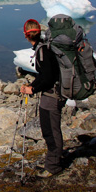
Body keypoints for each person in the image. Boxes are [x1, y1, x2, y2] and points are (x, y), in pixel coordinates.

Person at [19, 18, 65, 177]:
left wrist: (33, 89)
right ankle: (53, 160)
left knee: (51, 131)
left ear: (26, 35)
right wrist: (32, 84)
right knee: (49, 129)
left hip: (53, 95)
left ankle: (53, 166)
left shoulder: (43, 51)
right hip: (51, 94)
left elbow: (48, 78)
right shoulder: (44, 47)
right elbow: (45, 75)